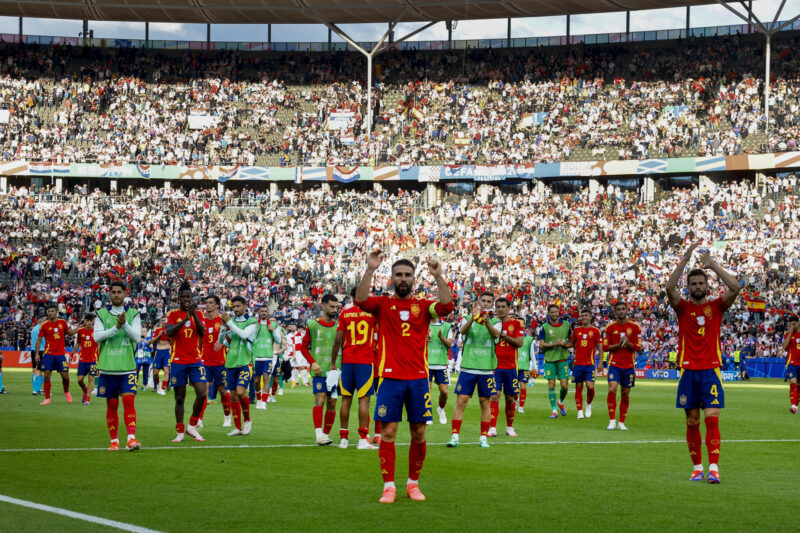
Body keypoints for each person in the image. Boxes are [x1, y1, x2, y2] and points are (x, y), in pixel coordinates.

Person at [356, 250, 454, 503]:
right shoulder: (382, 304)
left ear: (414, 279)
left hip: (419, 379)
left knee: (419, 432)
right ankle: (389, 486)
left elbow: (446, 306)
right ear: (391, 278)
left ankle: (413, 484)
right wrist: (370, 269)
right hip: (389, 379)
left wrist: (438, 276)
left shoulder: (423, 306)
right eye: (398, 274)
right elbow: (361, 300)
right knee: (388, 432)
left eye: (407, 275)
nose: (403, 278)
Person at [666, 242, 740, 484]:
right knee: (692, 420)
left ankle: (714, 468)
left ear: (707, 286)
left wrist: (713, 266)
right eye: (693, 284)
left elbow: (735, 287)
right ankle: (697, 467)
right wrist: (686, 259)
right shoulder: (682, 308)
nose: (697, 287)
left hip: (711, 371)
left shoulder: (716, 307)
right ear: (688, 287)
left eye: (701, 283)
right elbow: (669, 287)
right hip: (688, 371)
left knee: (712, 418)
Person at [93, 281, 142, 451]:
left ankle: (131, 439)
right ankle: (114, 441)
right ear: (109, 294)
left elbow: (137, 337)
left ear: (125, 293)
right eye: (113, 292)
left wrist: (125, 324)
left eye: (119, 292)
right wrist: (117, 327)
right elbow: (97, 337)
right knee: (112, 405)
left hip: (127, 366)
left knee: (129, 401)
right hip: (108, 367)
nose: (116, 295)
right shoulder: (100, 314)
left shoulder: (134, 314)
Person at [448, 292, 500, 448]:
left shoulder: (496, 321)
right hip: (468, 367)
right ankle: (455, 436)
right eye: (483, 301)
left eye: (488, 301)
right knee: (461, 401)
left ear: (492, 304)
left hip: (486, 369)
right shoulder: (466, 319)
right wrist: (473, 317)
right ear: (478, 302)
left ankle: (483, 437)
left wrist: (487, 322)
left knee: (485, 403)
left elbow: (496, 335)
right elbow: (462, 331)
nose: (485, 303)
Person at [332, 288, 377, 450]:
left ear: (351, 297)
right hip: (365, 361)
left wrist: (333, 362)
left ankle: (343, 439)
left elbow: (338, 340)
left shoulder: (344, 314)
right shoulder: (372, 314)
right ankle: (362, 440)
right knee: (364, 400)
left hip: (348, 362)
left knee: (345, 399)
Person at [166, 283, 208, 443]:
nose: (185, 300)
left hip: (196, 360)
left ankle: (191, 426)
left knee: (202, 393)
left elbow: (203, 332)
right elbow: (169, 332)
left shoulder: (199, 314)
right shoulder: (172, 314)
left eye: (188, 297)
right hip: (178, 361)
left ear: (192, 298)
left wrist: (193, 316)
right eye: (183, 297)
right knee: (179, 398)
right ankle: (180, 431)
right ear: (178, 298)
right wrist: (185, 320)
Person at [299, 294, 341, 446]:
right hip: (319, 370)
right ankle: (318, 434)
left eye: (336, 307)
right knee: (320, 398)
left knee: (332, 402)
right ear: (323, 306)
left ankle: (325, 435)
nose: (334, 310)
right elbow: (303, 347)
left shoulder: (340, 326)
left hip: (336, 371)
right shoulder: (312, 324)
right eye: (331, 306)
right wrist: (313, 363)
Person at [219, 296, 259, 436]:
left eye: (238, 306)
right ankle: (237, 427)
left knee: (241, 392)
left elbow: (243, 335)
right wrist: (223, 328)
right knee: (234, 396)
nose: (235, 309)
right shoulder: (231, 323)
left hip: (245, 363)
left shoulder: (252, 322)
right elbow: (221, 341)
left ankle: (247, 421)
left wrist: (229, 323)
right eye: (233, 307)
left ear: (244, 305)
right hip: (231, 363)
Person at [603, 301, 642, 431]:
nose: (621, 311)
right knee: (612, 389)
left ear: (627, 310)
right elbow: (605, 347)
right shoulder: (609, 328)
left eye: (623, 309)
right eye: (618, 309)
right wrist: (619, 344)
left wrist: (627, 343)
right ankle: (612, 420)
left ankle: (621, 422)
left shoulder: (635, 327)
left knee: (625, 394)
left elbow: (638, 347)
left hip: (629, 366)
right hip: (614, 364)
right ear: (615, 311)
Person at [489, 297, 524, 437]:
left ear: (509, 308)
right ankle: (492, 427)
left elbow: (519, 342)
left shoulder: (516, 324)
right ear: (495, 308)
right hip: (495, 367)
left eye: (504, 306)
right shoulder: (491, 323)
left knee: (510, 398)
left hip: (511, 367)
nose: (501, 309)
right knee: (494, 396)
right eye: (498, 306)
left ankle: (509, 427)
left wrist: (503, 335)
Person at [35, 304, 77, 405]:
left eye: (52, 311)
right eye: (49, 311)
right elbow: (39, 339)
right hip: (48, 354)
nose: (50, 313)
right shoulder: (44, 325)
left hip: (60, 354)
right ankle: (47, 398)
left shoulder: (62, 322)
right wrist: (37, 353)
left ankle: (66, 392)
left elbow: (69, 333)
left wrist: (78, 328)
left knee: (65, 376)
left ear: (56, 312)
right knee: (47, 374)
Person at [200, 294, 232, 427]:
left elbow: (232, 338)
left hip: (221, 363)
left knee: (223, 391)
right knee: (202, 392)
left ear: (217, 305)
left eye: (210, 303)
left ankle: (227, 417)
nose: (207, 305)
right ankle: (199, 419)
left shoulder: (223, 320)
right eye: (206, 303)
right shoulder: (202, 321)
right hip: (204, 362)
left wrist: (222, 341)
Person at [568, 308, 602, 419]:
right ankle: (579, 411)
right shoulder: (577, 330)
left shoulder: (596, 331)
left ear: (591, 317)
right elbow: (571, 343)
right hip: (577, 364)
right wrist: (561, 344)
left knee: (590, 386)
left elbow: (600, 347)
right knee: (578, 386)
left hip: (590, 364)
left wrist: (600, 362)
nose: (584, 317)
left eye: (586, 315)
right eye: (582, 315)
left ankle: (588, 403)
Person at [539, 304, 571, 419]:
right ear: (548, 313)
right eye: (551, 312)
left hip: (562, 359)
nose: (554, 314)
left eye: (555, 312)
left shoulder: (567, 325)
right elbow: (541, 344)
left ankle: (560, 402)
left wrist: (566, 344)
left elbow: (572, 341)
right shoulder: (544, 327)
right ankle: (554, 411)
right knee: (551, 384)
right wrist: (554, 344)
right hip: (550, 360)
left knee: (565, 386)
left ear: (559, 312)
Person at [427, 309, 454, 425]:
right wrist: (426, 338)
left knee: (444, 391)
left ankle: (441, 409)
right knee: (426, 391)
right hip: (426, 363)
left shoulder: (447, 326)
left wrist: (441, 336)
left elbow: (450, 344)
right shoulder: (424, 325)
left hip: (441, 363)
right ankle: (427, 414)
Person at [251, 306, 281, 411]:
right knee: (256, 381)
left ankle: (264, 402)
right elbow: (251, 338)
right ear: (259, 312)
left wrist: (272, 331)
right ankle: (259, 400)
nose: (264, 313)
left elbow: (278, 340)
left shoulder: (272, 324)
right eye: (262, 311)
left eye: (265, 311)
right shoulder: (255, 324)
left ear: (268, 312)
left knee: (266, 378)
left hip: (268, 356)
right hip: (257, 356)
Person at [75, 314, 99, 405]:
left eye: (90, 321)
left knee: (91, 379)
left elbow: (100, 345)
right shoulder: (80, 331)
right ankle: (85, 391)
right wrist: (73, 353)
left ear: (93, 321)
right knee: (80, 380)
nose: (88, 323)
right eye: (87, 321)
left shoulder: (97, 331)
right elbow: (78, 342)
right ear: (84, 321)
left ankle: (87, 398)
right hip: (82, 359)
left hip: (93, 359)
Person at [516, 323, 539, 414]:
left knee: (523, 387)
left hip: (524, 367)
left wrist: (535, 366)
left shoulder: (529, 340)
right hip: (513, 366)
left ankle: (521, 407)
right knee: (513, 388)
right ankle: (516, 400)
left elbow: (532, 354)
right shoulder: (512, 337)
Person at [782, 315, 800, 414]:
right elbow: (784, 346)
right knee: (793, 382)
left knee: (799, 386)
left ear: (798, 323)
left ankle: (795, 406)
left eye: (795, 323)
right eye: (791, 324)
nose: (793, 325)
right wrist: (790, 332)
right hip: (792, 363)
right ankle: (793, 405)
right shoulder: (788, 334)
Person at [149, 317, 171, 395]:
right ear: (161, 321)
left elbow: (173, 341)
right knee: (155, 373)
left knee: (166, 370)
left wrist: (167, 334)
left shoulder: (170, 330)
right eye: (163, 320)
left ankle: (163, 389)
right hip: (158, 352)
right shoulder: (157, 330)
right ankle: (158, 384)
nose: (164, 322)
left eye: (165, 320)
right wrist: (159, 335)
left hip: (167, 352)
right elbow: (152, 341)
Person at [30, 314, 46, 395]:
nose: (45, 320)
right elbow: (43, 341)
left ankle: (35, 388)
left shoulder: (33, 329)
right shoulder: (41, 328)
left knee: (34, 369)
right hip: (40, 350)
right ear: (40, 320)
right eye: (44, 319)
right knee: (40, 369)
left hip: (33, 350)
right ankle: (37, 389)